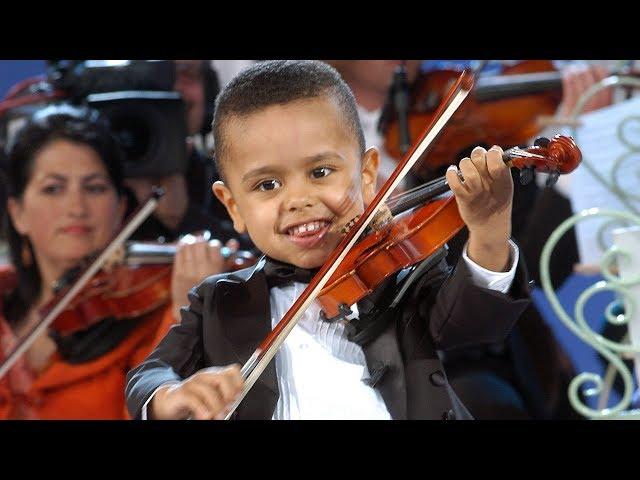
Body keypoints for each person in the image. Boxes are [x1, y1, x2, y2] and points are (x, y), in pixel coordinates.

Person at [125, 60, 533, 420]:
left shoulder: (404, 280)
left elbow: (476, 322)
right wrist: (171, 395)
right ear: (232, 206)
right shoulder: (217, 301)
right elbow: (147, 376)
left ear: (368, 174)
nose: (299, 200)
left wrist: (488, 231)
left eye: (320, 172)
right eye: (268, 184)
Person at [0, 105, 223, 419]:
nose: (76, 207)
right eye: (53, 189)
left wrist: (184, 315)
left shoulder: (155, 315)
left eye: (94, 187)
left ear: (120, 208)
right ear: (17, 212)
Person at [125, 60, 248, 248]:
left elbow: (258, 259)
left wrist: (184, 216)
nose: (172, 89)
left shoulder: (232, 178)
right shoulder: (94, 175)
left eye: (186, 73)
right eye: (156, 74)